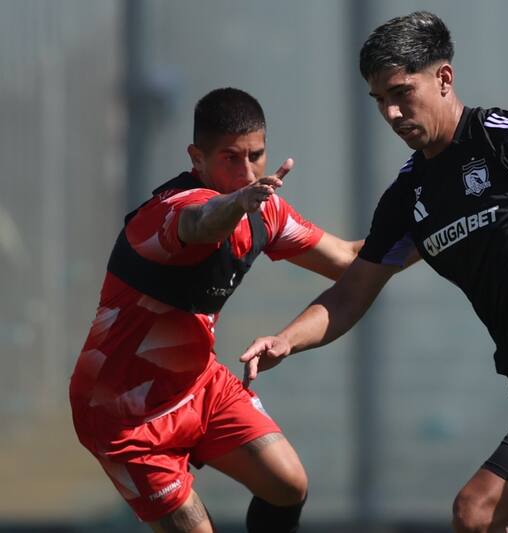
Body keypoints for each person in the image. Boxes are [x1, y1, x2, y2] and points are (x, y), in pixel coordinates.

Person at [239, 11, 508, 533]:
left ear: (443, 78)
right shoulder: (408, 197)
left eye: (401, 92)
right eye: (379, 102)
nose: (392, 113)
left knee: (475, 512)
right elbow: (352, 290)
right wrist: (286, 340)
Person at [69, 87, 361, 533]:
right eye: (230, 158)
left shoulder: (266, 211)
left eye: (256, 156)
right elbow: (201, 224)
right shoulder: (169, 211)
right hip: (122, 415)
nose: (247, 173)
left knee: (287, 484)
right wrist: (236, 205)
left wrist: (432, 227)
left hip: (199, 384)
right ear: (197, 158)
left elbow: (348, 260)